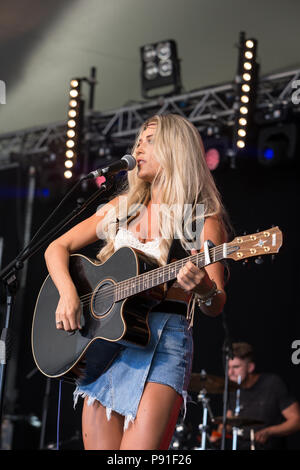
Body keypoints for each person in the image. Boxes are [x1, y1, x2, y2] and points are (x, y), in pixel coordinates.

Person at [44, 113, 229, 450]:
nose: (139, 148)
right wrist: (68, 293)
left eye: (150, 141)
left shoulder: (201, 218)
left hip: (162, 344)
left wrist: (202, 288)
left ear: (176, 149)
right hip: (106, 344)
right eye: (139, 141)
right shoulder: (123, 207)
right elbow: (57, 247)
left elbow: (215, 302)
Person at [212, 342, 300, 450]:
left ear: (250, 367)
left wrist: (269, 431)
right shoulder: (233, 389)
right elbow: (229, 420)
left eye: (236, 367)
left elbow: (296, 420)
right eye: (228, 367)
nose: (230, 372)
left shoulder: (273, 384)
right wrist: (217, 435)